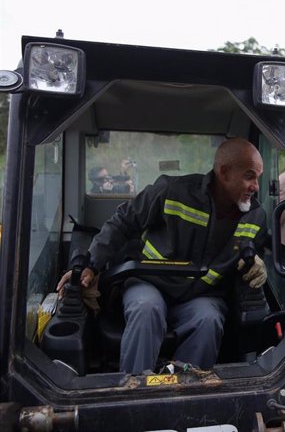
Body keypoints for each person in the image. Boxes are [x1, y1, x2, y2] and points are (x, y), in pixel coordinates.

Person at [58, 138, 269, 374]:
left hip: (201, 295)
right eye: (250, 176)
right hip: (149, 282)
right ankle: (135, 392)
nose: (256, 186)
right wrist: (91, 265)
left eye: (258, 178)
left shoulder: (256, 216)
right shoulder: (172, 191)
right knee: (146, 309)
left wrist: (258, 265)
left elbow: (252, 257)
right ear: (224, 172)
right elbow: (122, 223)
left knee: (209, 319)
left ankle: (186, 395)